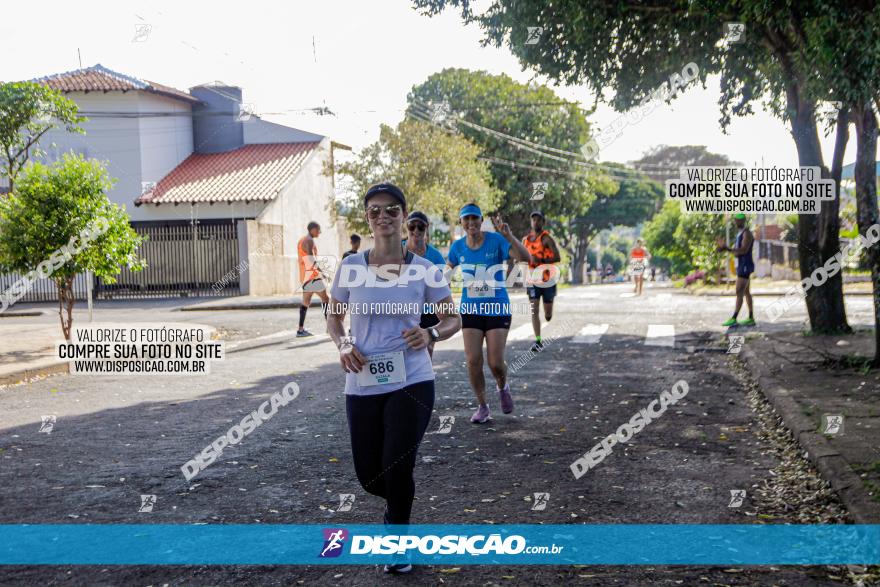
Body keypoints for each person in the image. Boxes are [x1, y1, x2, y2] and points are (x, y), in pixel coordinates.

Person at [326, 183, 461, 575]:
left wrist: (431, 333)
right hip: (362, 381)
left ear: (404, 216)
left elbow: (452, 318)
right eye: (374, 211)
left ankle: (398, 541)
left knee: (397, 467)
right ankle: (396, 508)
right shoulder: (351, 266)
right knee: (370, 475)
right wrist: (345, 343)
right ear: (366, 218)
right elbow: (334, 318)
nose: (383, 217)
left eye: (391, 211)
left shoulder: (425, 270)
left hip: (412, 379)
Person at [447, 203, 531, 424]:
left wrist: (510, 236)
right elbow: (445, 274)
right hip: (471, 309)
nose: (471, 223)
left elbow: (526, 258)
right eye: (466, 219)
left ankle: (503, 386)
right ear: (462, 223)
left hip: (496, 308)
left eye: (475, 218)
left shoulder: (496, 240)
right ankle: (483, 406)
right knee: (473, 361)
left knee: (495, 363)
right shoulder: (457, 248)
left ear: (481, 219)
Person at [403, 211, 447, 358]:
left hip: (428, 312)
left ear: (426, 228)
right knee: (402, 351)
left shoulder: (435, 256)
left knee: (426, 354)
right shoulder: (396, 250)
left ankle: (424, 379)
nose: (416, 230)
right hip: (404, 310)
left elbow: (444, 287)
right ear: (406, 227)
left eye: (420, 227)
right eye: (412, 226)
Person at [522, 210, 561, 352]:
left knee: (548, 315)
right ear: (531, 222)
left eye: (538, 220)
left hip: (548, 280)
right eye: (533, 220)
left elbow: (558, 257)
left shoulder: (547, 239)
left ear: (543, 222)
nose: (536, 222)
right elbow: (521, 256)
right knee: (534, 310)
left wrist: (541, 261)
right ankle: (538, 341)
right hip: (532, 280)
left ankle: (549, 312)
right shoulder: (525, 240)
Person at [717, 213, 755, 327]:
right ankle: (751, 318)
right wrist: (724, 249)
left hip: (745, 266)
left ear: (743, 221)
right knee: (746, 292)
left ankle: (734, 318)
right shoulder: (740, 234)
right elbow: (737, 251)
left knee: (739, 291)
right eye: (735, 220)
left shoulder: (747, 234)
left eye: (738, 220)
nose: (736, 222)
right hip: (742, 266)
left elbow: (743, 250)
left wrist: (726, 248)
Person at [297, 221, 330, 337]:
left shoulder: (302, 240)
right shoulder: (309, 241)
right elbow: (311, 259)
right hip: (312, 276)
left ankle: (300, 330)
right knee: (326, 299)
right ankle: (330, 327)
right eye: (318, 230)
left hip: (305, 276)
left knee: (305, 303)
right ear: (312, 229)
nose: (319, 232)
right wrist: (322, 272)